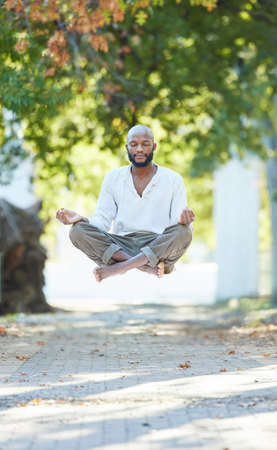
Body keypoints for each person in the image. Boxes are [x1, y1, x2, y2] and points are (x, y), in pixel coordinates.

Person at [56, 125, 195, 282]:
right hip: (121, 245)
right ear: (127, 147)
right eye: (134, 144)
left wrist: (182, 221)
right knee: (77, 231)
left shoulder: (173, 179)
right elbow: (102, 221)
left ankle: (119, 267)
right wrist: (80, 218)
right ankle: (146, 266)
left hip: (157, 243)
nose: (140, 149)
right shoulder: (113, 178)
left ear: (154, 146)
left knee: (184, 231)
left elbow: (176, 223)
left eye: (145, 144)